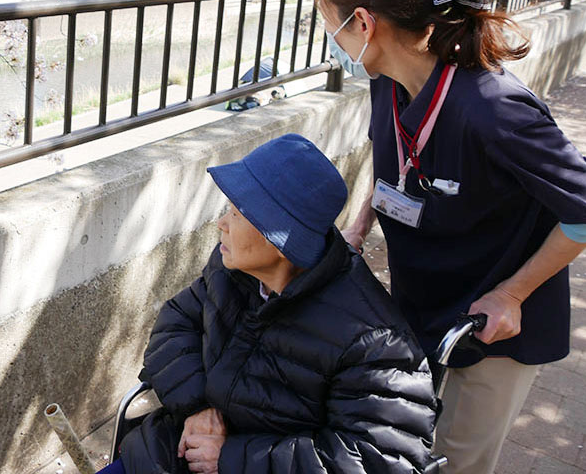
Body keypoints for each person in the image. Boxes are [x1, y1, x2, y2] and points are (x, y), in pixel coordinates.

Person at [315, 0, 586, 474]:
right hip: (421, 299)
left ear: (363, 23)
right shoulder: (387, 80)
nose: (331, 36)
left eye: (329, 21)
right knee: (409, 443)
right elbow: (392, 165)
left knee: (457, 460)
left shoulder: (493, 109)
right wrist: (357, 230)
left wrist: (510, 294)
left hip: (493, 324)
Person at [101, 134, 438, 474]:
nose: (221, 223)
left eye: (236, 212)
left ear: (280, 239)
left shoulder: (375, 342)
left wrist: (233, 459)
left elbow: (376, 459)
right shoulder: (232, 269)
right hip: (173, 450)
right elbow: (175, 323)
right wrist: (197, 406)